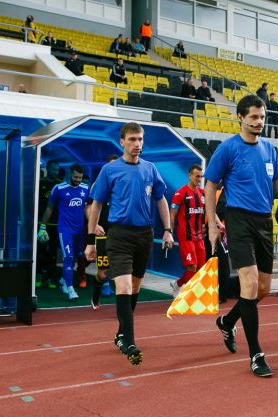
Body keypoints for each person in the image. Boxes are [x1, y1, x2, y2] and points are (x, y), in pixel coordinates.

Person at [204, 94, 278, 377]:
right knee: (248, 286)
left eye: (262, 117)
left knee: (261, 289)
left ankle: (227, 322)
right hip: (237, 220)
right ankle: (256, 354)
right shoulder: (228, 149)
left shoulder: (269, 149)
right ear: (240, 117)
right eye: (253, 117)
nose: (259, 122)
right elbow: (210, 185)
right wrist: (212, 223)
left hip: (263, 222)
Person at [85, 122, 174, 366]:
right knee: (123, 288)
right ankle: (131, 342)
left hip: (144, 235)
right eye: (132, 139)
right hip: (119, 235)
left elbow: (161, 200)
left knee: (135, 288)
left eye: (140, 140)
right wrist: (91, 240)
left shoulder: (150, 169)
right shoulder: (109, 170)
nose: (137, 144)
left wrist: (167, 230)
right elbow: (96, 205)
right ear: (122, 142)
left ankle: (122, 333)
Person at [41, 164, 89, 301]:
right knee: (68, 257)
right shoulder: (59, 188)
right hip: (65, 229)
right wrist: (42, 227)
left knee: (77, 256)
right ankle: (69, 288)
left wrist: (92, 225)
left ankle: (63, 279)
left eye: (80, 177)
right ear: (70, 174)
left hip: (79, 230)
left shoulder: (85, 189)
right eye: (76, 177)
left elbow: (86, 208)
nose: (78, 180)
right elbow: (50, 208)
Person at [169, 165, 215, 297]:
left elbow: (211, 211)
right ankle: (188, 294)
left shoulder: (202, 193)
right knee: (192, 267)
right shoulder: (180, 193)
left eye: (201, 177)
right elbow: (172, 214)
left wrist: (218, 225)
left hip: (199, 237)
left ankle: (177, 284)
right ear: (189, 175)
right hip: (186, 236)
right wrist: (170, 232)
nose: (199, 179)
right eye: (197, 176)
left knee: (200, 269)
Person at [88, 155, 119, 310]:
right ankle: (95, 296)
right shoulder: (99, 184)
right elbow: (89, 208)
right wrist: (94, 225)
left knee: (123, 271)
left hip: (120, 234)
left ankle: (123, 307)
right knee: (103, 274)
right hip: (103, 234)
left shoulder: (124, 182)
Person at [36, 160, 62, 289]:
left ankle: (51, 278)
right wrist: (40, 223)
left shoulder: (60, 185)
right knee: (40, 251)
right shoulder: (40, 183)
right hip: (42, 224)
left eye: (57, 170)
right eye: (53, 169)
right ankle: (39, 275)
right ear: (48, 168)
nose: (55, 172)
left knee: (53, 252)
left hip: (56, 224)